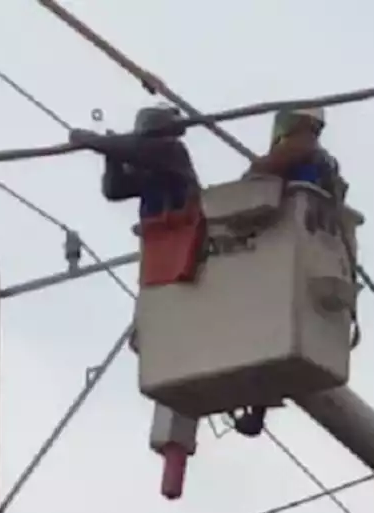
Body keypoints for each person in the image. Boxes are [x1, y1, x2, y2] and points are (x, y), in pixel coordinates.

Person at [230, 107, 347, 438]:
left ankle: (256, 405)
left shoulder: (301, 148)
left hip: (289, 242)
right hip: (306, 250)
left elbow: (258, 174)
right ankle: (257, 404)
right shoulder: (322, 160)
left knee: (261, 316)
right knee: (269, 327)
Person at [69, 106, 205, 287]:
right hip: (163, 232)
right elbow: (114, 190)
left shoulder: (172, 151)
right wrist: (112, 158)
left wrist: (94, 141)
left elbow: (134, 148)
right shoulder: (151, 167)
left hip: (182, 224)